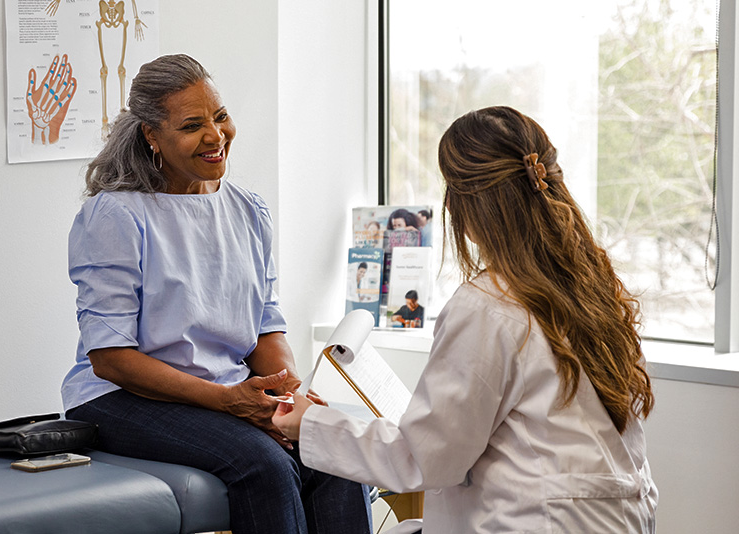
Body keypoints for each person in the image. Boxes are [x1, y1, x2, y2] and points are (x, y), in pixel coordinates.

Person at [275, 106, 657, 533]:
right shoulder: (595, 290)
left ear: (466, 205)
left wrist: (309, 422)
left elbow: (426, 458)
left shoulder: (487, 306)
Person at [60, 54, 372, 534]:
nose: (215, 135)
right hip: (121, 398)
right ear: (151, 135)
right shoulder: (117, 215)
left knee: (331, 450)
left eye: (220, 116)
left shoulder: (248, 209)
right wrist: (229, 401)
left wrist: (285, 394)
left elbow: (265, 323)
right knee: (265, 465)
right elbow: (110, 358)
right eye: (191, 125)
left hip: (226, 388)